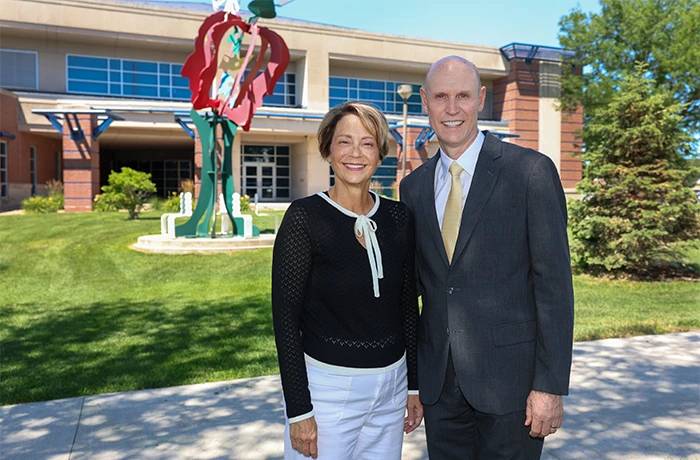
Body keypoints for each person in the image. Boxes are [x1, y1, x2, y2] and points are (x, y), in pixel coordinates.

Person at [399, 56, 574, 459]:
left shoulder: (529, 172)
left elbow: (555, 290)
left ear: (480, 99)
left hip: (512, 386)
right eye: (441, 97)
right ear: (425, 101)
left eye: (462, 95)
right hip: (440, 387)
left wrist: (548, 386)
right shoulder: (413, 187)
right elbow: (415, 292)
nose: (452, 108)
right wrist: (413, 383)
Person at [272, 101, 423, 459]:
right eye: (344, 142)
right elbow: (285, 320)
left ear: (380, 153)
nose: (356, 153)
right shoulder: (305, 217)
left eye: (368, 142)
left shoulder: (399, 218)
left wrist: (414, 386)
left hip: (392, 388)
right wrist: (299, 410)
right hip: (327, 391)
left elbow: (407, 306)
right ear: (327, 149)